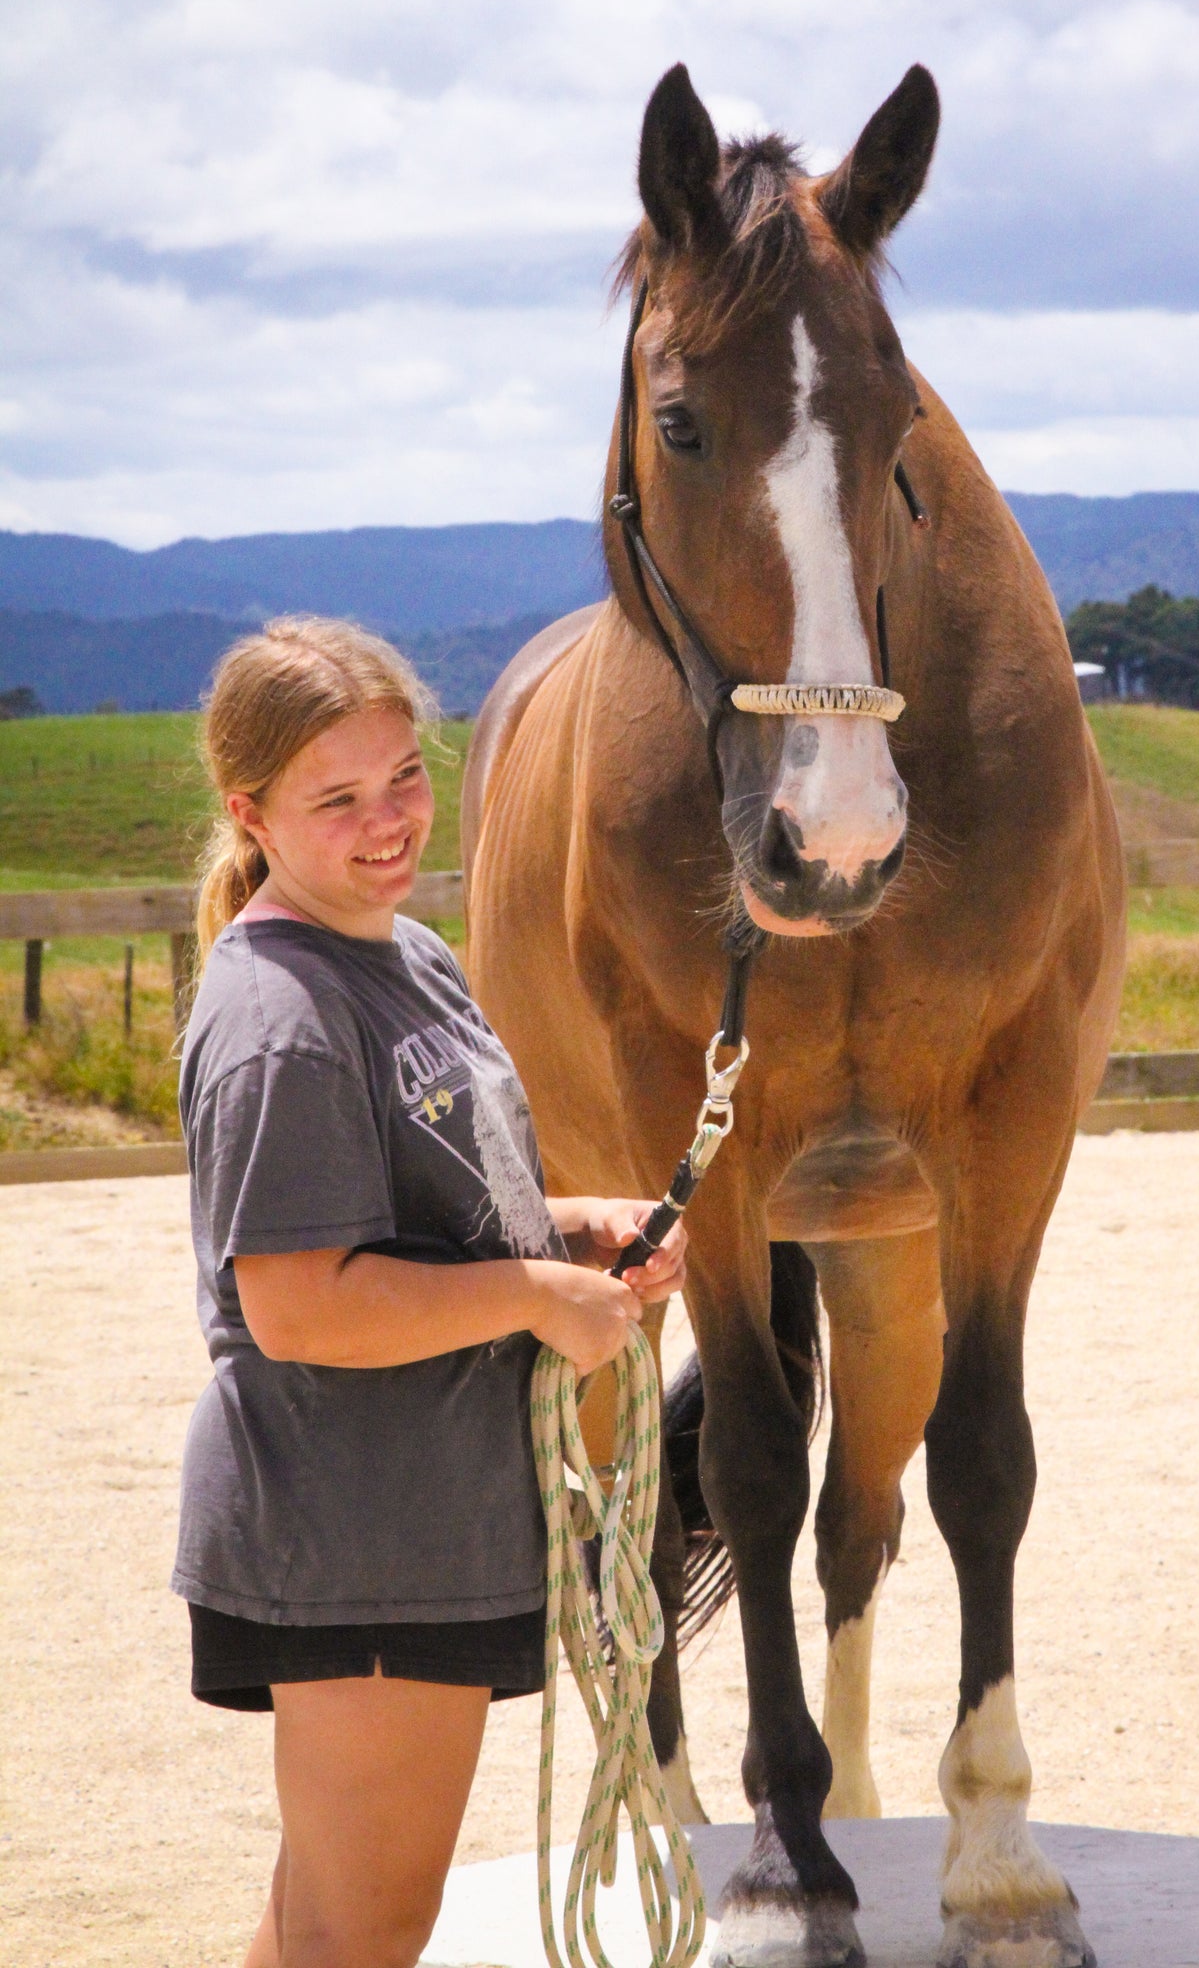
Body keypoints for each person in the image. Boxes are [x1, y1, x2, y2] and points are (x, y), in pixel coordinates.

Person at [172, 617, 687, 1968]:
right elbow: (299, 1303)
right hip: (355, 1534)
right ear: (252, 812)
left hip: (413, 1518)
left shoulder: (407, 957)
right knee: (366, 1933)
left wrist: (576, 1230)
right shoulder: (280, 1016)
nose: (389, 821)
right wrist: (534, 1296)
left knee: (326, 1924)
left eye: (402, 776)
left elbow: (438, 1205)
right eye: (336, 798)